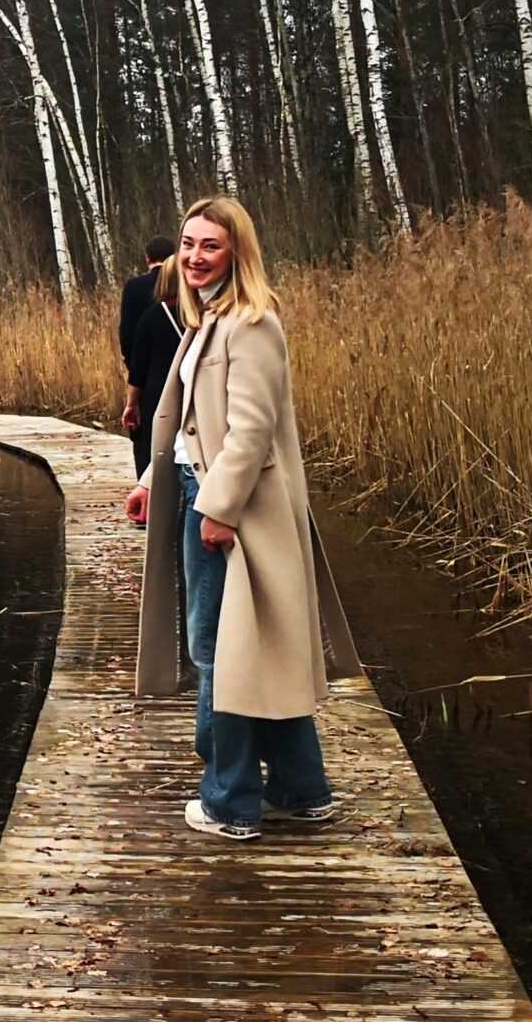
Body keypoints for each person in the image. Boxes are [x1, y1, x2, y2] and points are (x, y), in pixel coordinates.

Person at [123, 197, 359, 840]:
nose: (195, 257)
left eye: (211, 247)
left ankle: (230, 801)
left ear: (238, 254)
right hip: (210, 496)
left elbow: (251, 431)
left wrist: (217, 510)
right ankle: (302, 790)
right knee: (258, 648)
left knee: (219, 652)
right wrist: (152, 478)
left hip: (238, 511)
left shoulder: (252, 323)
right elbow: (196, 425)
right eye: (188, 244)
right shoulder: (208, 318)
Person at [117, 235, 183, 477]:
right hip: (185, 373)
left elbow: (126, 336)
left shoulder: (134, 288)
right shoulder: (191, 296)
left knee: (147, 440)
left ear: (147, 258)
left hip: (150, 378)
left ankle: (148, 492)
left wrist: (134, 371)